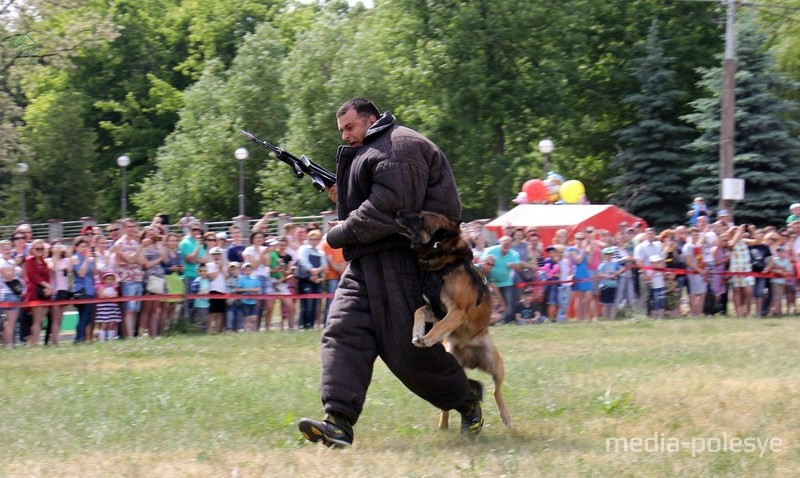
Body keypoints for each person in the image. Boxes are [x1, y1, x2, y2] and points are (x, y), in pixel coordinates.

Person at [298, 98, 483, 448]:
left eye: (350, 127)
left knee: (406, 353)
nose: (346, 135)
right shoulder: (375, 149)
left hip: (403, 262)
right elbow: (371, 204)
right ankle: (338, 422)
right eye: (342, 130)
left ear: (370, 119)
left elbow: (391, 209)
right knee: (342, 333)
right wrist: (342, 198)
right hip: (365, 263)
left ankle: (466, 398)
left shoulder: (400, 146)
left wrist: (338, 232)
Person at [296, 229, 327, 330]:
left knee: (315, 303)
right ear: (308, 238)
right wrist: (312, 271)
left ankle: (311, 325)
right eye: (312, 239)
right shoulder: (304, 248)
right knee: (306, 303)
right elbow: (303, 261)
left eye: (316, 239)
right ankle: (304, 325)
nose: (314, 241)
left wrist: (316, 272)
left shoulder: (321, 252)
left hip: (316, 279)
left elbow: (324, 265)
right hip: (305, 280)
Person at [24, 239, 53, 345]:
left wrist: (49, 289)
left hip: (45, 294)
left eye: (41, 248)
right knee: (37, 320)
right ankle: (33, 343)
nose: (40, 250)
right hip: (35, 293)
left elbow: (47, 277)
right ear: (32, 250)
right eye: (37, 249)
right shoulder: (29, 261)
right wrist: (47, 285)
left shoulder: (44, 262)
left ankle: (32, 342)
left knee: (40, 320)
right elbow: (33, 276)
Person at [1, 240, 25, 347]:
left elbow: (21, 273)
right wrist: (16, 263)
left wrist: (22, 263)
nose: (8, 251)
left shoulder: (10, 261)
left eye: (9, 248)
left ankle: (8, 344)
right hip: (7, 294)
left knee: (10, 322)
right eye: (5, 248)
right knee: (10, 323)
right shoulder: (2, 261)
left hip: (14, 294)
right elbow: (9, 277)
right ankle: (8, 345)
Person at [95, 271, 122, 341]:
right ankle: (102, 341)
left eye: (111, 279)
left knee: (112, 324)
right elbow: (102, 296)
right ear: (103, 280)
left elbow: (116, 295)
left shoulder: (114, 287)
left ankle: (111, 340)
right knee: (103, 325)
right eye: (107, 279)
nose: (109, 281)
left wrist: (109, 296)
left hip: (112, 307)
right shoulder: (101, 286)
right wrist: (110, 296)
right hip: (103, 308)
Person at [597, 247, 622, 320]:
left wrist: (616, 273)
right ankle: (605, 317)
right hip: (605, 286)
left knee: (613, 303)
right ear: (604, 255)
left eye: (610, 254)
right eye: (607, 254)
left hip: (613, 285)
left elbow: (622, 268)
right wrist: (608, 276)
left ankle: (612, 317)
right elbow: (600, 274)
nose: (609, 256)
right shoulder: (602, 265)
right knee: (605, 303)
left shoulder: (615, 263)